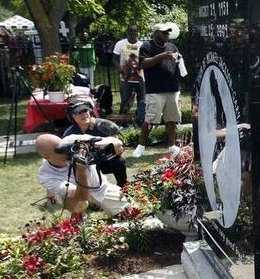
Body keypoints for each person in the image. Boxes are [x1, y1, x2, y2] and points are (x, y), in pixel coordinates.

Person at [35, 134, 131, 216]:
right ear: (47, 156)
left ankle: (99, 204)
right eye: (61, 150)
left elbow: (116, 142)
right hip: (77, 195)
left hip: (101, 188)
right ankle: (78, 216)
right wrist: (81, 171)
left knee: (130, 211)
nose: (68, 150)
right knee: (80, 204)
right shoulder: (46, 176)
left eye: (65, 145)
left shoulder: (72, 140)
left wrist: (91, 144)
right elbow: (82, 196)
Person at [133, 23, 182, 158]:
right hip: (155, 90)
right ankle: (141, 146)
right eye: (163, 32)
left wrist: (178, 59)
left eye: (168, 32)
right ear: (156, 33)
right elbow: (143, 64)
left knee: (171, 119)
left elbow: (178, 61)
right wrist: (161, 56)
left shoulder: (172, 46)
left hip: (172, 88)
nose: (166, 35)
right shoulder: (147, 46)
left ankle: (172, 146)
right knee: (150, 119)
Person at [63, 100, 127, 186]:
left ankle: (123, 185)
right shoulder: (69, 134)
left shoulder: (103, 125)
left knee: (118, 161)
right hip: (83, 164)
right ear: (72, 116)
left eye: (85, 111)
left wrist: (97, 144)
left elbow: (119, 145)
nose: (84, 114)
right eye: (79, 112)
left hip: (104, 160)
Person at [112, 25, 145, 127]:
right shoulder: (120, 44)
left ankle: (140, 121)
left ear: (137, 32)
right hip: (125, 78)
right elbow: (114, 58)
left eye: (135, 31)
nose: (133, 33)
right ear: (127, 32)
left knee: (142, 101)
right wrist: (120, 68)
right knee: (125, 101)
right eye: (131, 31)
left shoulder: (142, 45)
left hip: (140, 78)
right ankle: (122, 122)